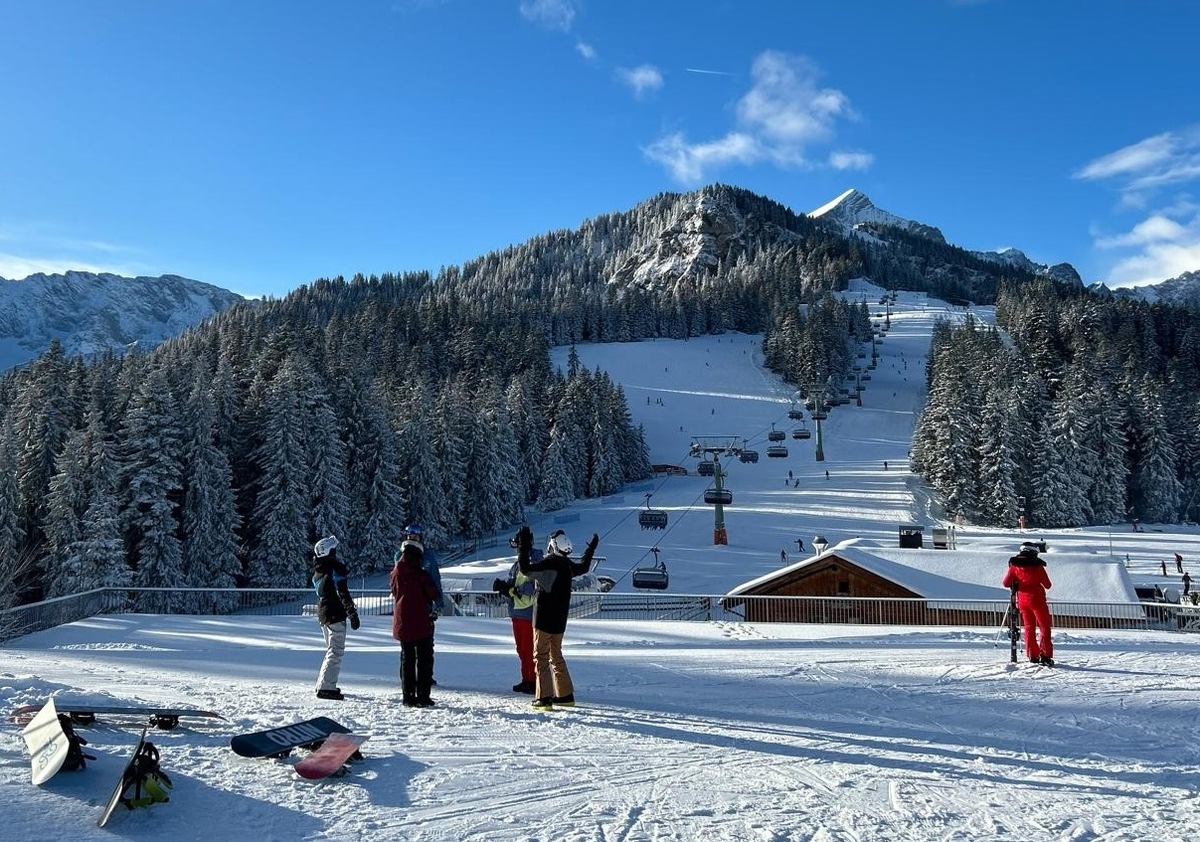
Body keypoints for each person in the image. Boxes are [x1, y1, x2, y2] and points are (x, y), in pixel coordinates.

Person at [517, 525, 599, 710]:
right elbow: (584, 567)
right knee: (556, 655)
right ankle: (565, 694)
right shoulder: (567, 566)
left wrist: (524, 546)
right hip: (560, 620)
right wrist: (591, 549)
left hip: (544, 618)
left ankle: (544, 697)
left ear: (552, 546)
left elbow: (524, 569)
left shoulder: (549, 565)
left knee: (541, 656)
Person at [389, 536, 441, 707]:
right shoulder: (421, 574)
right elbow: (433, 593)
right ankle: (423, 695)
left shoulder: (395, 573)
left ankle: (408, 696)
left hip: (402, 622)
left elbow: (394, 592)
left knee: (407, 659)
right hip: (421, 622)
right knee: (425, 659)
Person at [311, 536, 359, 700]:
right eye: (334, 550)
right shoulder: (333, 569)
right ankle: (326, 687)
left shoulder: (318, 571)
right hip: (334, 614)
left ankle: (323, 684)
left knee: (331, 650)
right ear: (329, 552)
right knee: (336, 650)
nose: (336, 553)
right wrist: (351, 612)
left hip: (323, 614)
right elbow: (342, 592)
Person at [492, 535, 540, 694]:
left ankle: (533, 681)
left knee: (528, 648)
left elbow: (530, 588)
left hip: (527, 613)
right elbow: (515, 583)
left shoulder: (534, 561)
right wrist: (504, 587)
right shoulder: (518, 563)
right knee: (521, 649)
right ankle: (526, 679)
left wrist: (512, 591)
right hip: (517, 612)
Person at [1002, 542, 1054, 666]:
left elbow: (1005, 583)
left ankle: (1032, 655)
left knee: (1029, 628)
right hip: (1038, 601)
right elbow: (1048, 585)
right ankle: (1045, 655)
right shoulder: (1038, 566)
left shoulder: (1014, 566)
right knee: (1044, 627)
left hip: (1023, 602)